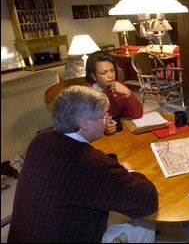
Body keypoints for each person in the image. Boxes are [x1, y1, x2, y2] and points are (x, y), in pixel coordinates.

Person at [8, 86, 158, 243]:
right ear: (85, 124)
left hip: (28, 235)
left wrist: (110, 167)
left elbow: (74, 173)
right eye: (103, 116)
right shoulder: (92, 165)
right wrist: (130, 172)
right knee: (144, 228)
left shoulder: (40, 141)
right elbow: (147, 202)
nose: (108, 118)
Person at [85, 51, 143, 135]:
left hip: (123, 130)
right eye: (104, 73)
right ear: (93, 75)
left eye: (112, 71)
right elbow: (85, 125)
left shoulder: (118, 86)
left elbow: (138, 114)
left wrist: (127, 93)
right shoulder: (86, 94)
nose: (110, 76)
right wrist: (102, 127)